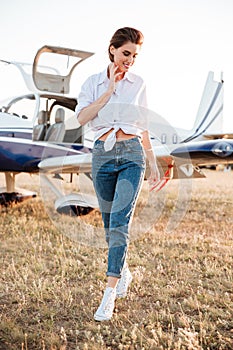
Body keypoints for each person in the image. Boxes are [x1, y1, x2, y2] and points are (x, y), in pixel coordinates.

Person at [75, 27, 160, 321]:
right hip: (101, 156)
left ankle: (108, 294)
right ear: (112, 49)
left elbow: (144, 124)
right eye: (126, 53)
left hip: (132, 155)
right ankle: (123, 271)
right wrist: (109, 90)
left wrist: (153, 162)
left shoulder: (139, 83)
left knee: (121, 223)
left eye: (135, 56)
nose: (130, 60)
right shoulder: (92, 82)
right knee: (110, 224)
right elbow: (83, 118)